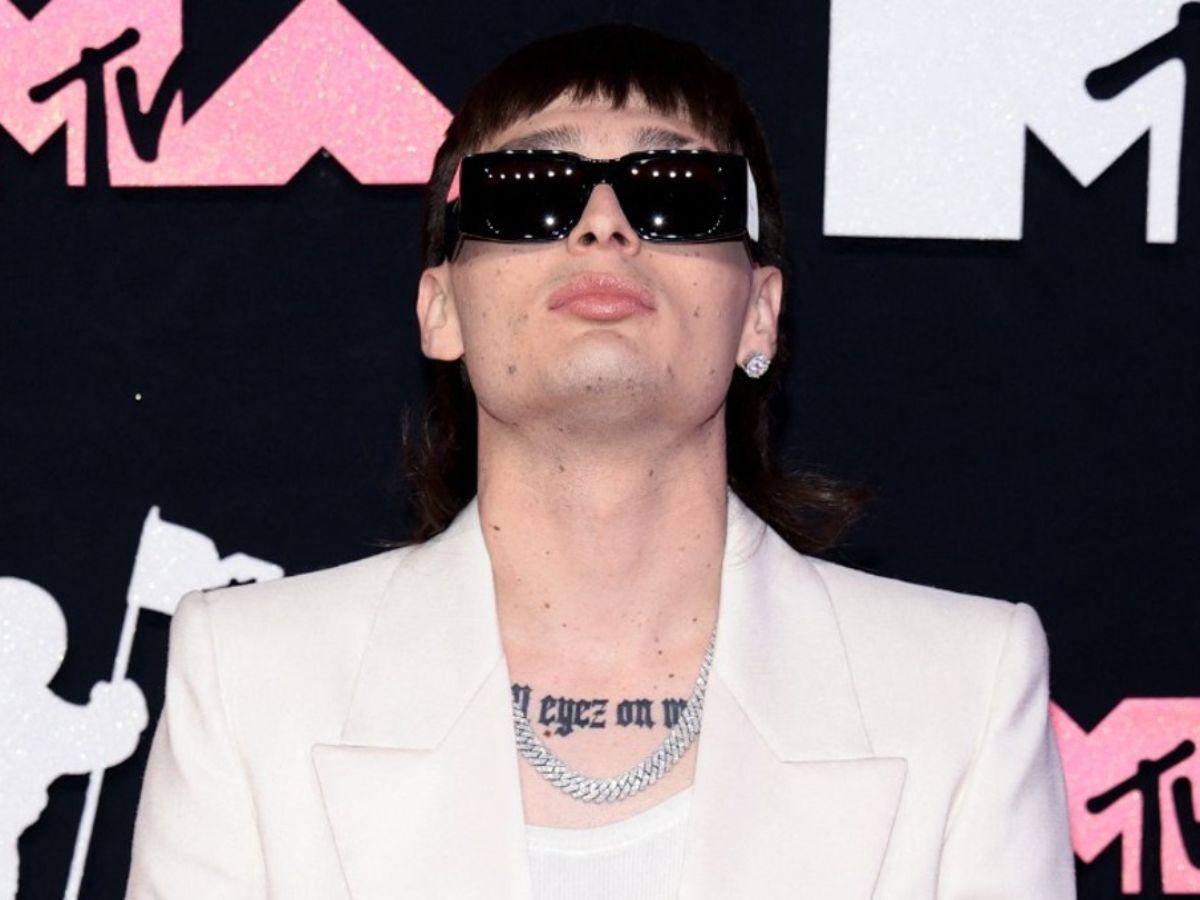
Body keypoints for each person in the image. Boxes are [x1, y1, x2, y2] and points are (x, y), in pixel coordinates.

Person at [125, 21, 1077, 900]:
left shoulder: (962, 690)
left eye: (677, 194)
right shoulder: (251, 682)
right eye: (528, 192)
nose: (603, 226)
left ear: (760, 313)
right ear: (441, 309)